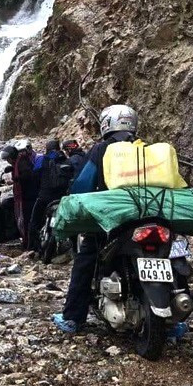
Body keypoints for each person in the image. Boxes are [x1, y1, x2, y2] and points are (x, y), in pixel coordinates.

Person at [52, 104, 138, 333]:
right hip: (147, 214)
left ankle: (72, 318)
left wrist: (73, 200)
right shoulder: (145, 149)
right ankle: (175, 322)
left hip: (110, 221)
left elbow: (83, 184)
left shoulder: (101, 149)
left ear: (107, 124)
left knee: (86, 260)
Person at [28, 139, 73, 252]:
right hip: (61, 197)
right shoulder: (66, 160)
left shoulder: (42, 159)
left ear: (47, 149)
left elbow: (34, 177)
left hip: (44, 196)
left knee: (34, 222)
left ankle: (32, 248)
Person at [11, 139, 38, 248]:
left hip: (27, 195)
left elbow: (27, 176)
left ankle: (29, 243)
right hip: (29, 194)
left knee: (27, 219)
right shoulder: (28, 159)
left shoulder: (22, 161)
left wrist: (17, 179)